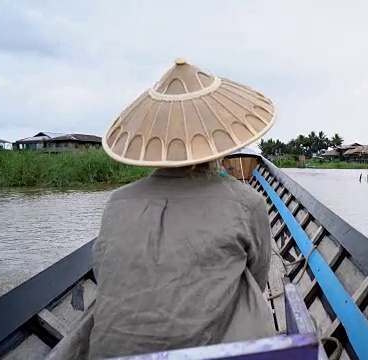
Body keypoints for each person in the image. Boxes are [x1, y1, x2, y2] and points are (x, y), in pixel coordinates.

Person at [81, 58, 277, 359]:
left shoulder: (116, 202)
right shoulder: (247, 202)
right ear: (217, 143)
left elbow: (103, 271)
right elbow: (258, 278)